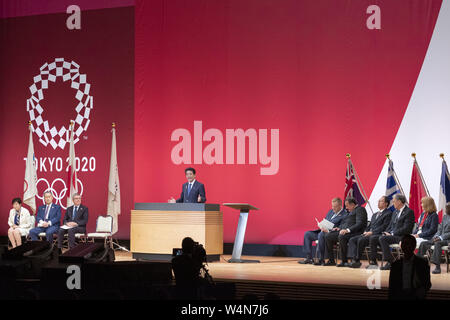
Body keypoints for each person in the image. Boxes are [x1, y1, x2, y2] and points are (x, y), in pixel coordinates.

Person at [299, 197, 347, 265]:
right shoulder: (331, 211)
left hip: (330, 234)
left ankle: (321, 259)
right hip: (322, 230)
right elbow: (326, 221)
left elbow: (341, 227)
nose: (333, 208)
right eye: (332, 206)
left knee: (321, 234)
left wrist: (329, 230)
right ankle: (308, 258)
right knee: (307, 234)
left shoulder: (344, 214)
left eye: (335, 207)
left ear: (340, 206)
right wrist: (321, 225)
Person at [348, 196, 392, 268]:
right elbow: (370, 225)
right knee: (352, 239)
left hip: (377, 235)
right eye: (378, 201)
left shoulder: (388, 213)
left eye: (380, 201)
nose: (378, 202)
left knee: (361, 240)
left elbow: (384, 227)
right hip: (368, 234)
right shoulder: (375, 214)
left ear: (386, 204)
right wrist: (366, 231)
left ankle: (358, 260)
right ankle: (353, 259)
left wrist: (372, 232)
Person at [323, 197, 367, 267]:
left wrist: (347, 230)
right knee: (328, 236)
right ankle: (331, 260)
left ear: (352, 204)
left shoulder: (360, 209)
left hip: (355, 232)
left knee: (342, 236)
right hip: (346, 231)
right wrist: (339, 228)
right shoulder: (350, 212)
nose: (346, 208)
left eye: (347, 206)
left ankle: (344, 261)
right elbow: (345, 223)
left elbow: (360, 223)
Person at [388, 234, 431, 300]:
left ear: (414, 246)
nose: (407, 246)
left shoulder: (422, 264)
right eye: (404, 244)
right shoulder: (395, 265)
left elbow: (427, 284)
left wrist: (421, 292)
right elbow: (392, 286)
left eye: (409, 244)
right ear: (401, 246)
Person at [379, 194, 415, 270]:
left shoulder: (409, 212)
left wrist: (392, 233)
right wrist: (386, 232)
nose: (393, 203)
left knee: (383, 239)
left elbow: (407, 228)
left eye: (394, 201)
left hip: (403, 236)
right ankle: (391, 261)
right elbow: (390, 225)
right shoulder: (395, 212)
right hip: (394, 235)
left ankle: (390, 262)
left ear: (399, 202)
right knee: (382, 237)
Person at [417, 202, 450, 274]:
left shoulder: (436, 215)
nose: (446, 209)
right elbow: (440, 229)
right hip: (440, 238)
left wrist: (441, 237)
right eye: (446, 207)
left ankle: (437, 267)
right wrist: (437, 236)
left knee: (438, 243)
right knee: (424, 243)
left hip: (448, 240)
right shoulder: (445, 216)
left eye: (447, 208)